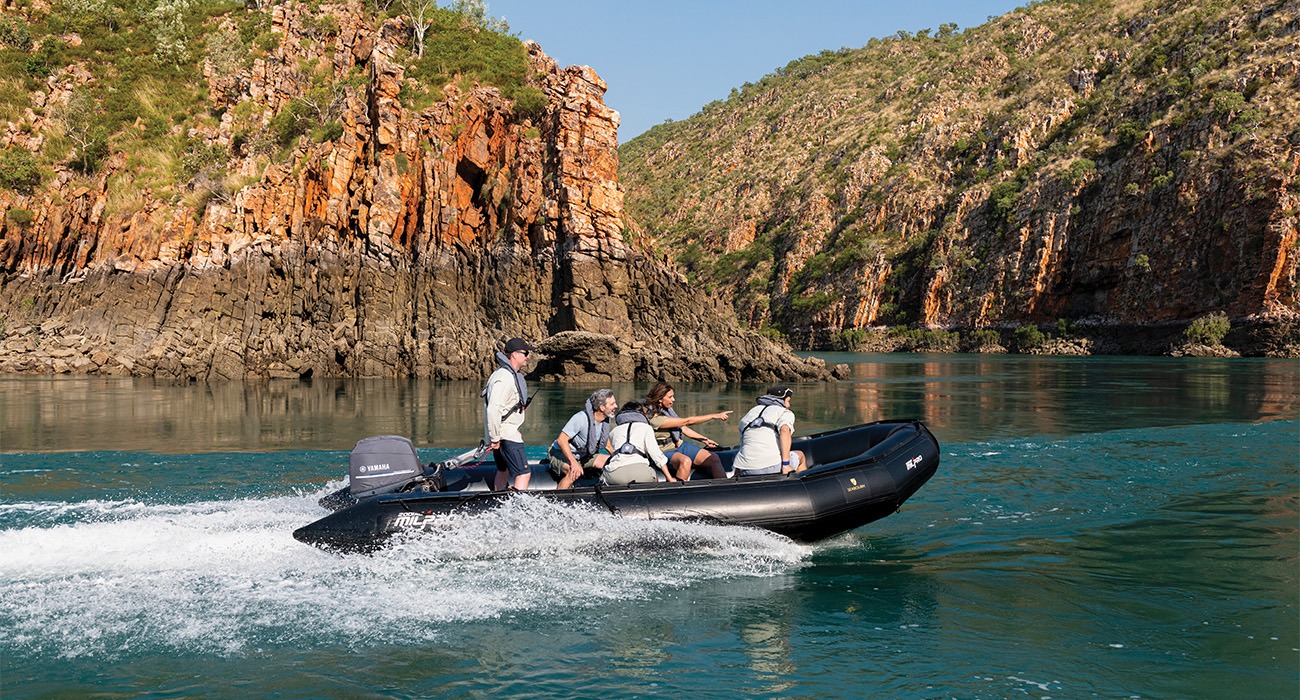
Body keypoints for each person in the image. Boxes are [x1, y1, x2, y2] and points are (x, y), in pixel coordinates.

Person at [645, 381, 730, 481]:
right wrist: (713, 416)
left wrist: (705, 440)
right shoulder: (653, 418)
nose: (673, 400)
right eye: (670, 397)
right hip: (664, 450)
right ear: (660, 399)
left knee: (713, 458)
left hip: (679, 445)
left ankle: (724, 491)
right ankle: (677, 494)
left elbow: (683, 428)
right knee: (685, 461)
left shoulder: (667, 410)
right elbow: (687, 421)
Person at [483, 337, 533, 491]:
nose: (528, 356)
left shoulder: (503, 374)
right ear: (515, 355)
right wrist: (495, 438)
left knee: (503, 471)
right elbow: (493, 410)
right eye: (525, 353)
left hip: (503, 433)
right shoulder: (504, 378)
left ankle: (498, 504)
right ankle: (517, 510)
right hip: (504, 436)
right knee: (523, 474)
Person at [547, 389, 617, 489]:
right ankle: (557, 501)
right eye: (612, 404)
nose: (616, 406)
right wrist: (574, 463)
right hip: (559, 454)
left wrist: (617, 458)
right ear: (602, 407)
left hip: (584, 456)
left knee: (611, 463)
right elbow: (561, 440)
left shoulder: (605, 419)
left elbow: (606, 444)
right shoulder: (581, 418)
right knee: (574, 472)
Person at [732, 385, 807, 477]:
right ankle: (797, 487)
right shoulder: (784, 412)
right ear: (784, 399)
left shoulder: (750, 413)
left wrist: (738, 471)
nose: (789, 405)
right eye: (788, 401)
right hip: (771, 466)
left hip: (746, 469)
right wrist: (786, 465)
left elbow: (744, 443)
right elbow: (784, 431)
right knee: (801, 455)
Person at [601, 401, 670, 486]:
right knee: (655, 476)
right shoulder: (646, 428)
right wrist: (669, 478)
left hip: (615, 474)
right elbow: (657, 456)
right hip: (641, 474)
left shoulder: (614, 431)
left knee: (603, 478)